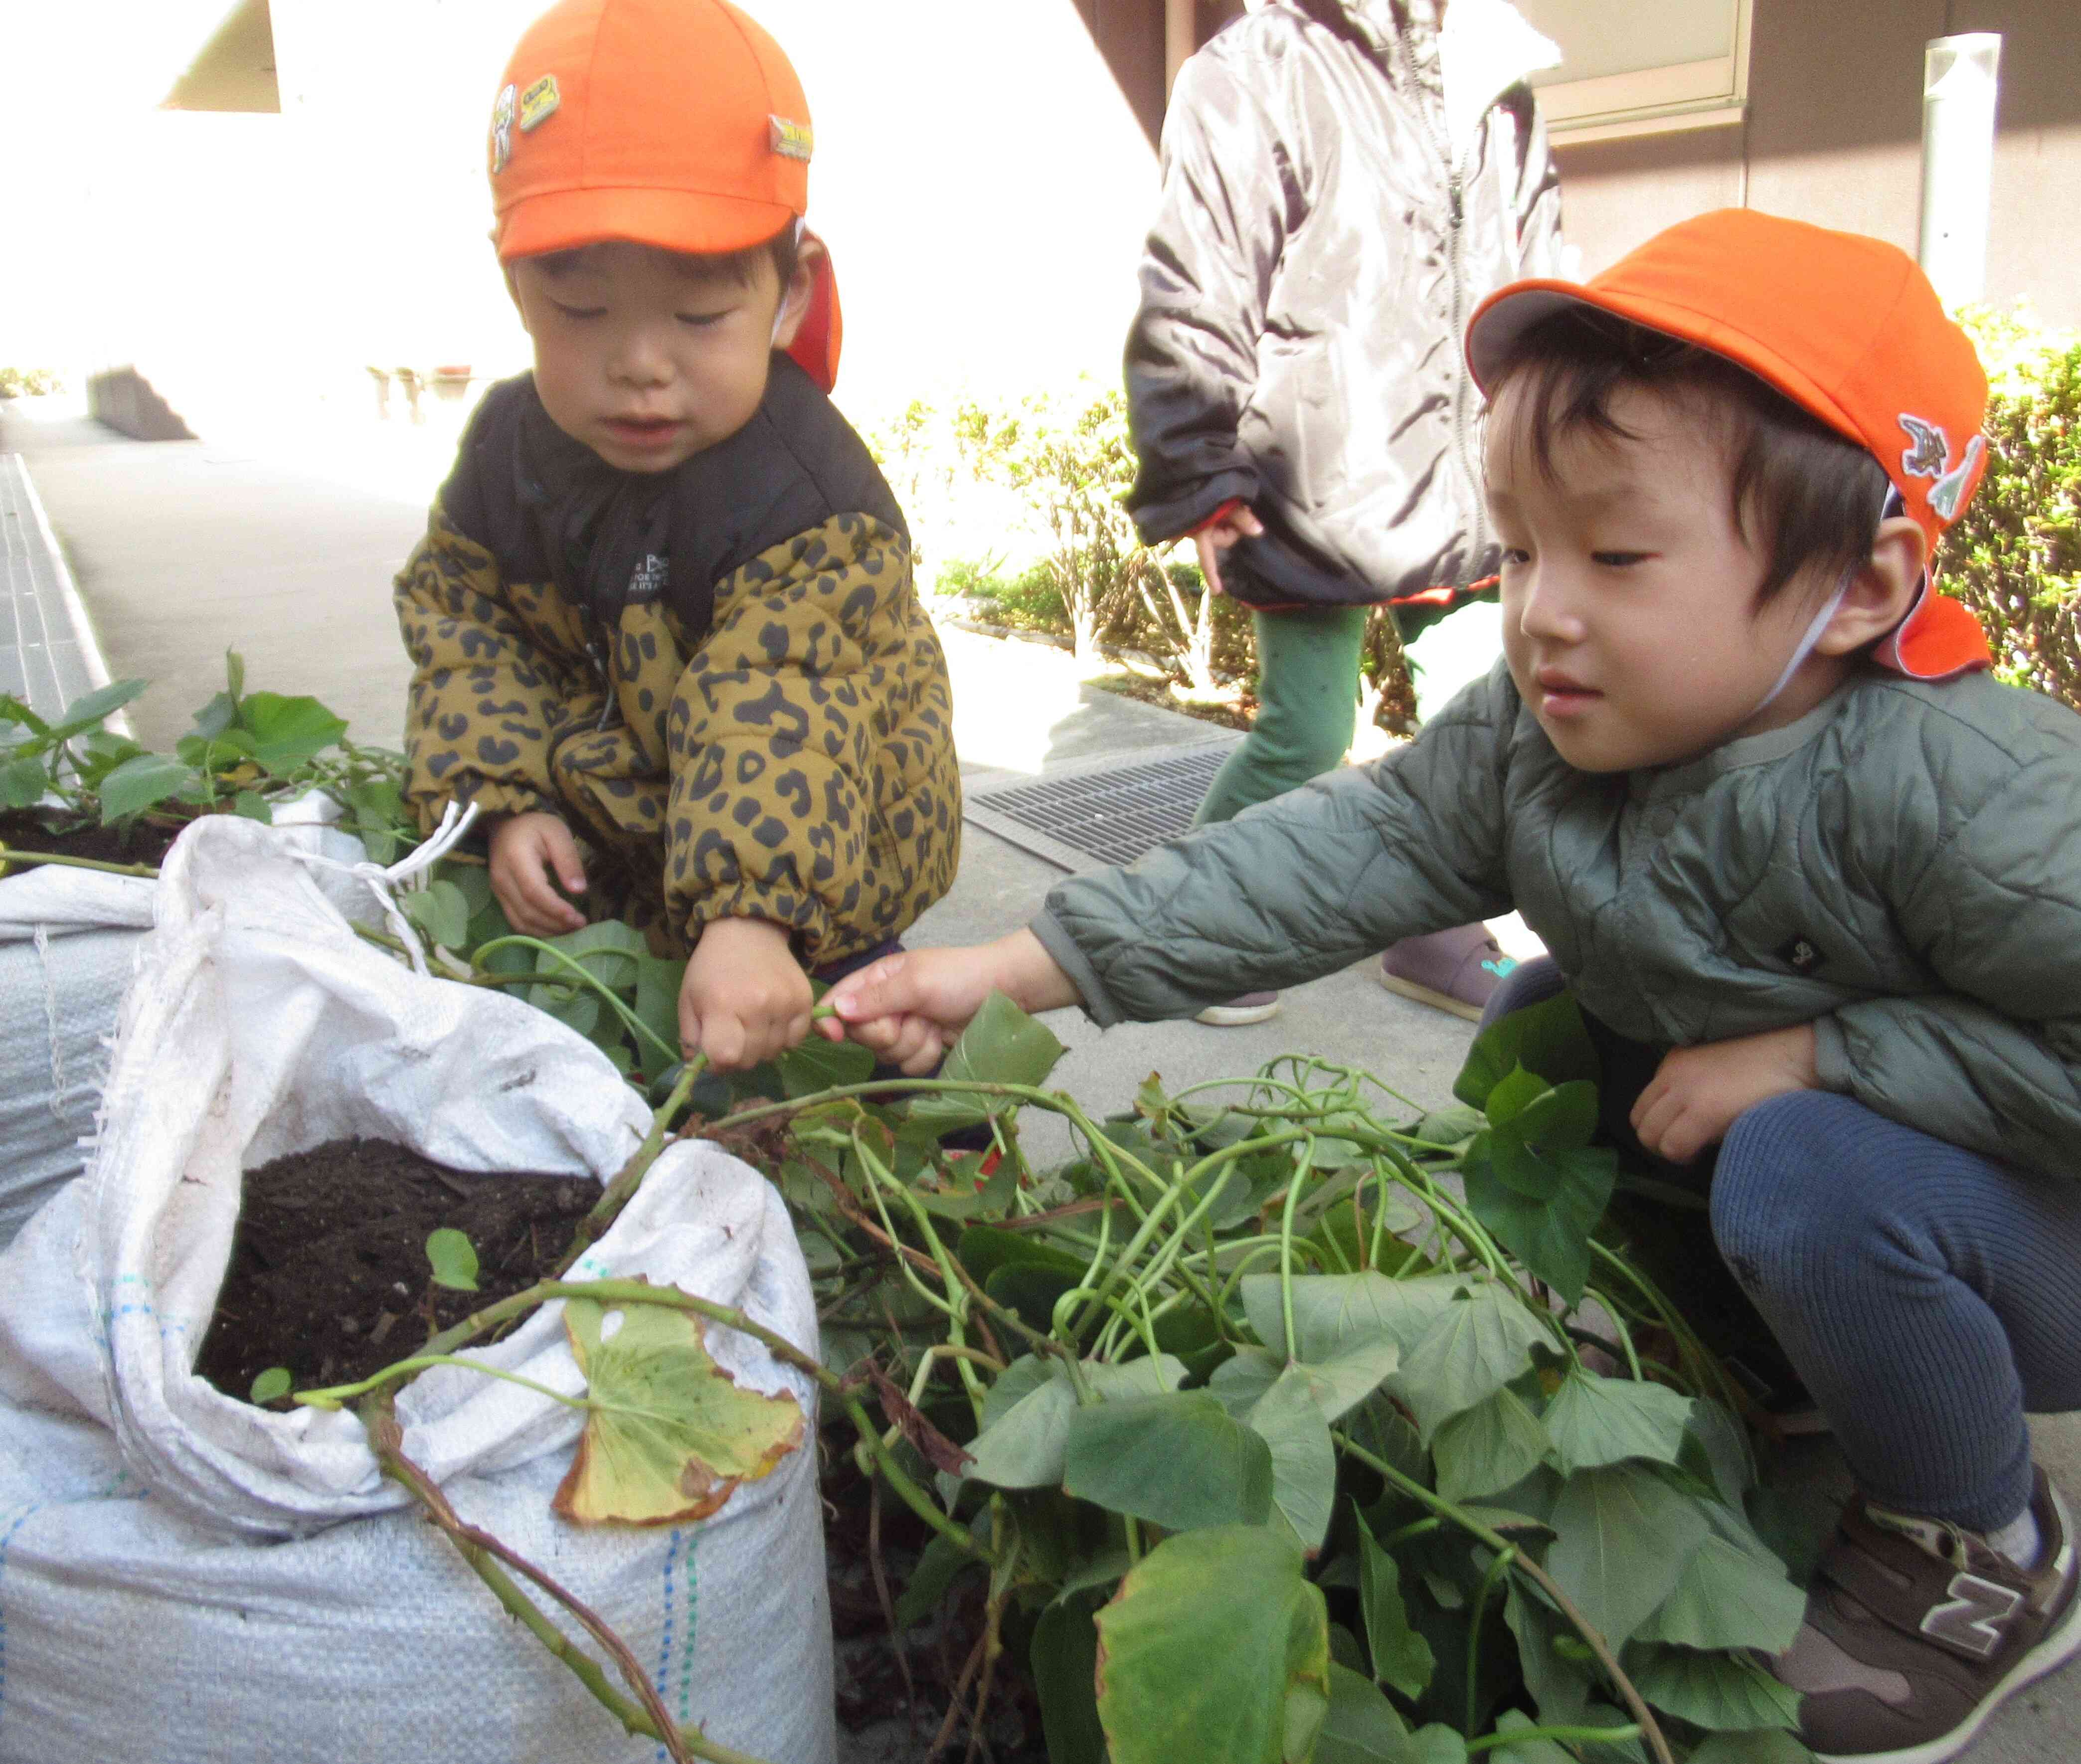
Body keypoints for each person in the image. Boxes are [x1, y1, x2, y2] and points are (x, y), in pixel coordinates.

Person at [823, 209, 2081, 1762]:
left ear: (1857, 584)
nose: (1541, 606)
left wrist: (1826, 1053)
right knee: (1544, 1025)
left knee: (1798, 1164)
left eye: (1614, 554)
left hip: (2041, 1234)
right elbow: (1324, 857)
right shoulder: (1537, 738)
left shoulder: (1966, 790)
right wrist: (1016, 968)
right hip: (1886, 1176)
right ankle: (1788, 1372)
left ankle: (1986, 1542)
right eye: (1522, 546)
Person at [394, 0, 960, 1074]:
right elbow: (467, 627)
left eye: (700, 317)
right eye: (583, 311)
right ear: (516, 286)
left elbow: (783, 700)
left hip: (811, 869)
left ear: (788, 294)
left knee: (847, 1055)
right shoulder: (505, 452)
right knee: (635, 1060)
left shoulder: (806, 500)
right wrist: (504, 800)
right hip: (624, 848)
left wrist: (752, 919)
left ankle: (942, 1148)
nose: (640, 362)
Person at [1122, 0, 1565, 1026]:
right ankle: (1199, 924)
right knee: (1303, 733)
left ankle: (1434, 928)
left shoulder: (1496, 69)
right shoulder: (1260, 65)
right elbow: (1197, 273)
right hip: (1314, 469)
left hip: (1467, 471)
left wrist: (1557, 444)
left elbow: (1540, 269)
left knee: (1481, 728)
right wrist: (1198, 463)